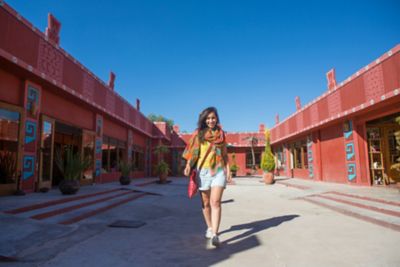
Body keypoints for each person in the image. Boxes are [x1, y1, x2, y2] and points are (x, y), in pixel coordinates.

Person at [182, 107, 231, 247]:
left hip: (218, 169)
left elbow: (225, 154)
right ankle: (210, 227)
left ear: (217, 119)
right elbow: (191, 152)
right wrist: (188, 165)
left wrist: (228, 170)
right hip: (203, 171)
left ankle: (215, 234)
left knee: (215, 201)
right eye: (208, 118)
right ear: (204, 119)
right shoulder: (198, 134)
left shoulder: (221, 134)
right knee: (206, 202)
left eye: (213, 118)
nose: (211, 120)